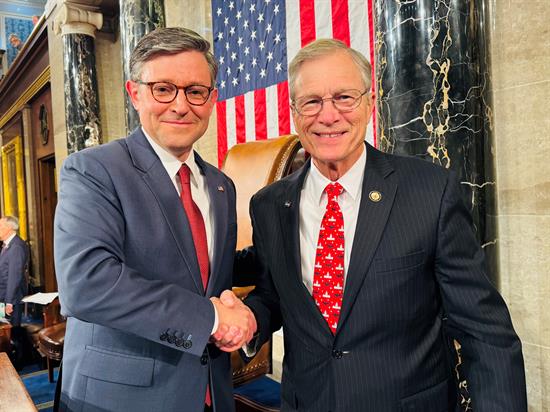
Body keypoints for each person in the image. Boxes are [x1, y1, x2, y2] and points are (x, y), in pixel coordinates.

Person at [214, 39, 527, 411]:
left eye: (344, 97)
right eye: (311, 101)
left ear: (369, 102)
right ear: (294, 111)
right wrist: (251, 318)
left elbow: (485, 333)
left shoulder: (428, 191)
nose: (328, 116)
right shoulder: (269, 205)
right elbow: (275, 294)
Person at [54, 27, 255, 412]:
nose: (180, 106)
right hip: (121, 398)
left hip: (210, 391)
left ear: (212, 100)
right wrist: (213, 318)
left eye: (195, 91)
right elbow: (86, 283)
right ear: (135, 94)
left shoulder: (221, 185)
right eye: (163, 89)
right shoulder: (93, 170)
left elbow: (205, 271)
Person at [0, 216, 29, 327]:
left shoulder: (16, 246)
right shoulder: (8, 244)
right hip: (4, 296)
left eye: (0, 225)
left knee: (11, 331)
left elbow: (14, 277)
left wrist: (9, 302)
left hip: (11, 299)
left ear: (9, 228)